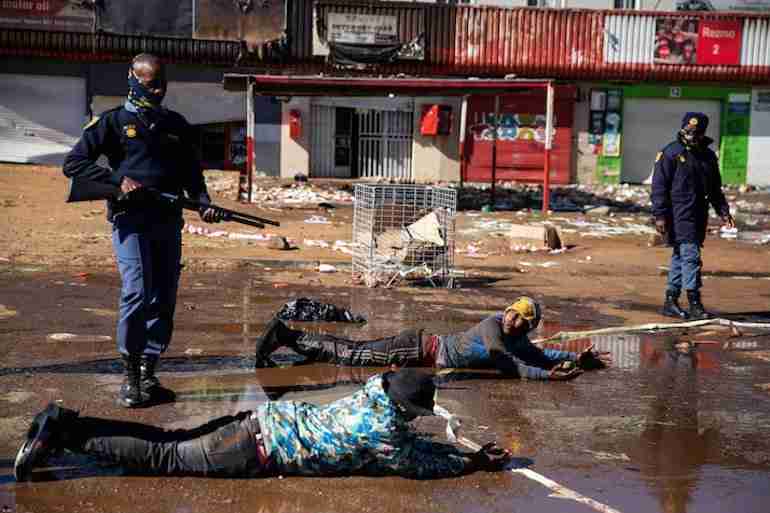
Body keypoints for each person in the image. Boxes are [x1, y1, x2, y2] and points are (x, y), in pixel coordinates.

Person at [62, 53, 224, 408]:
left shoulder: (176, 125)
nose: (159, 90)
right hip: (130, 221)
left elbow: (192, 175)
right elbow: (73, 163)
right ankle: (130, 376)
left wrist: (204, 203)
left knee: (164, 298)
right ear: (133, 80)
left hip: (168, 222)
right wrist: (118, 181)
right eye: (151, 84)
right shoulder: (113, 122)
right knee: (136, 292)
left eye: (162, 84)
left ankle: (149, 372)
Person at [14, 369, 511, 481]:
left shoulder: (373, 391)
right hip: (254, 447)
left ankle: (70, 424)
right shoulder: (382, 431)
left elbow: (409, 443)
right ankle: (64, 434)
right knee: (165, 456)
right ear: (405, 409)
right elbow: (415, 463)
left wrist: (462, 453)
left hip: (258, 422)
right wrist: (470, 463)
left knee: (170, 441)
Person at [254, 296, 610, 379]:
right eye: (511, 311)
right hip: (417, 348)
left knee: (352, 354)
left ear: (527, 327)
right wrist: (546, 377)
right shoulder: (492, 327)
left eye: (520, 318)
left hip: (422, 353)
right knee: (352, 355)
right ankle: (286, 335)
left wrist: (576, 358)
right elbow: (507, 363)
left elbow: (539, 355)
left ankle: (293, 342)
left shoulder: (517, 339)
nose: (511, 318)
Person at [651, 113, 735, 320]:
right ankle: (695, 303)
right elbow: (659, 187)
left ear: (703, 133)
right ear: (682, 129)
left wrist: (723, 211)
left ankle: (670, 301)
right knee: (691, 257)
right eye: (688, 131)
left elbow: (714, 189)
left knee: (680, 257)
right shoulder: (671, 153)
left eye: (696, 133)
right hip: (677, 214)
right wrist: (660, 215)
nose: (691, 135)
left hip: (698, 215)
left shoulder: (708, 156)